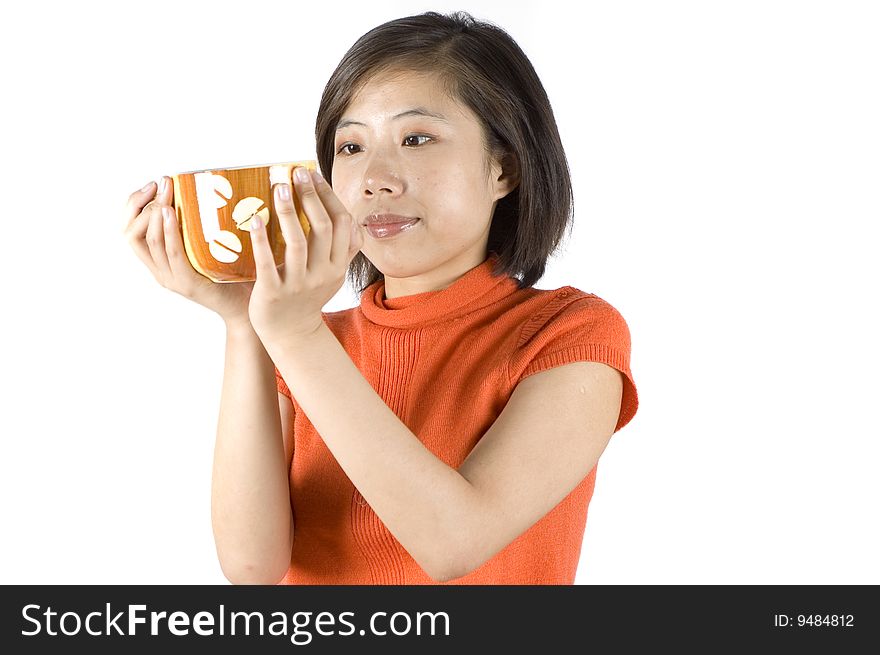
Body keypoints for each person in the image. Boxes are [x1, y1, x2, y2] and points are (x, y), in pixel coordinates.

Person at [123, 10, 639, 585]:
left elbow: (452, 543)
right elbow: (251, 569)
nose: (374, 177)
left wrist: (294, 334)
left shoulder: (570, 334)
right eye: (350, 147)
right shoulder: (311, 341)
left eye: (417, 138)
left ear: (504, 169)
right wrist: (248, 326)